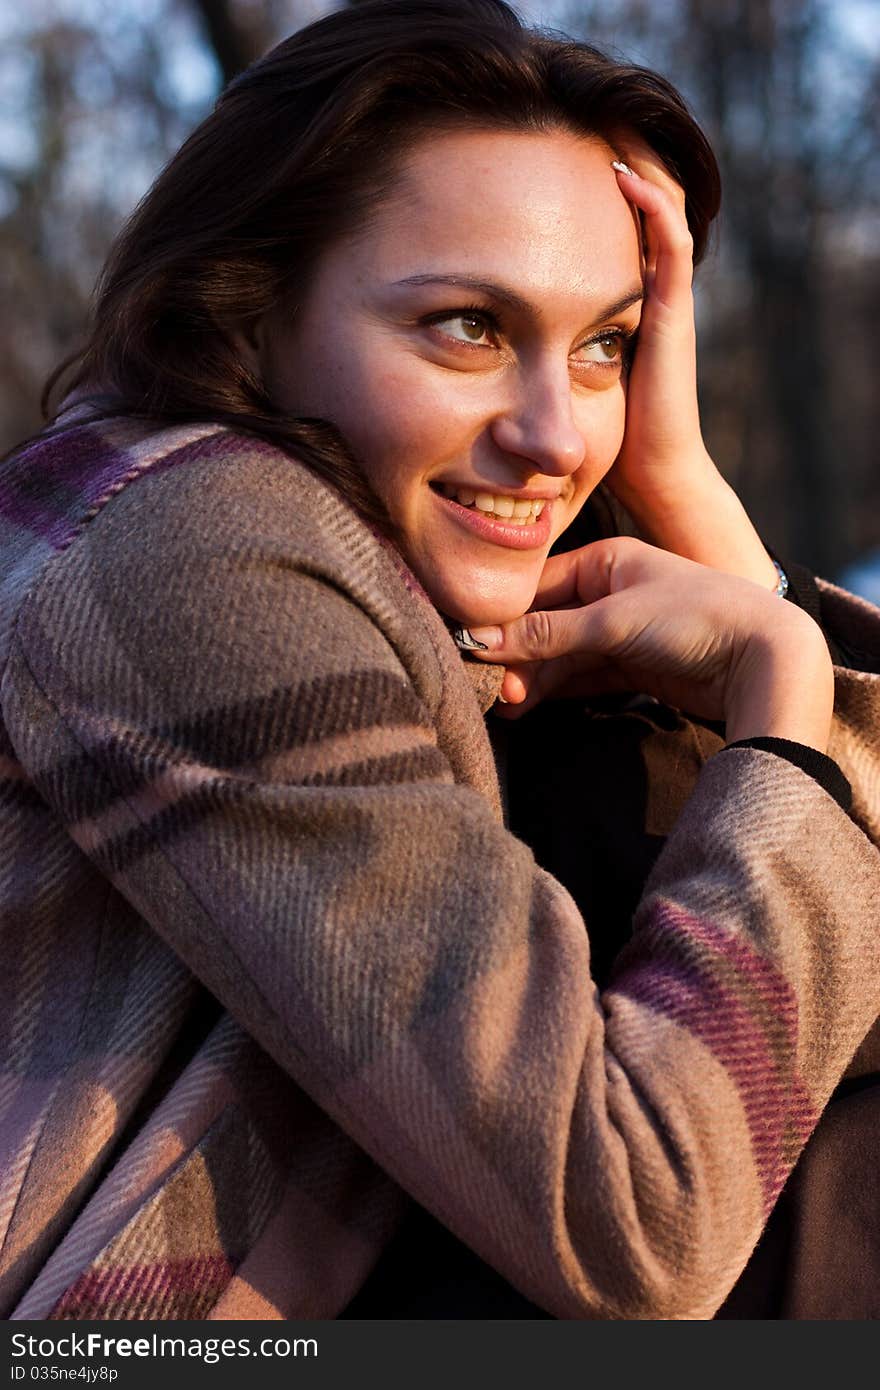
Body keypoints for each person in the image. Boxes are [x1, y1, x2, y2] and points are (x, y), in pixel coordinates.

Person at [1, 0, 878, 1322]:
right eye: (468, 326)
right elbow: (641, 1225)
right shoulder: (200, 544)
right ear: (250, 314)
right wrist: (781, 699)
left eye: (604, 344)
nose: (554, 433)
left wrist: (685, 489)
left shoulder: (406, 591)